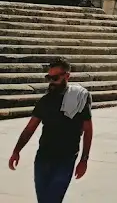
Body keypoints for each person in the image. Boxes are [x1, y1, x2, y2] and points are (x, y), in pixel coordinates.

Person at [7, 56, 92, 203]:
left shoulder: (79, 99)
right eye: (49, 78)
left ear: (67, 76)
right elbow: (30, 128)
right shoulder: (45, 101)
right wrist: (16, 151)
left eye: (56, 78)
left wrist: (84, 159)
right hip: (43, 158)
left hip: (66, 158)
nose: (51, 82)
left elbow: (88, 130)